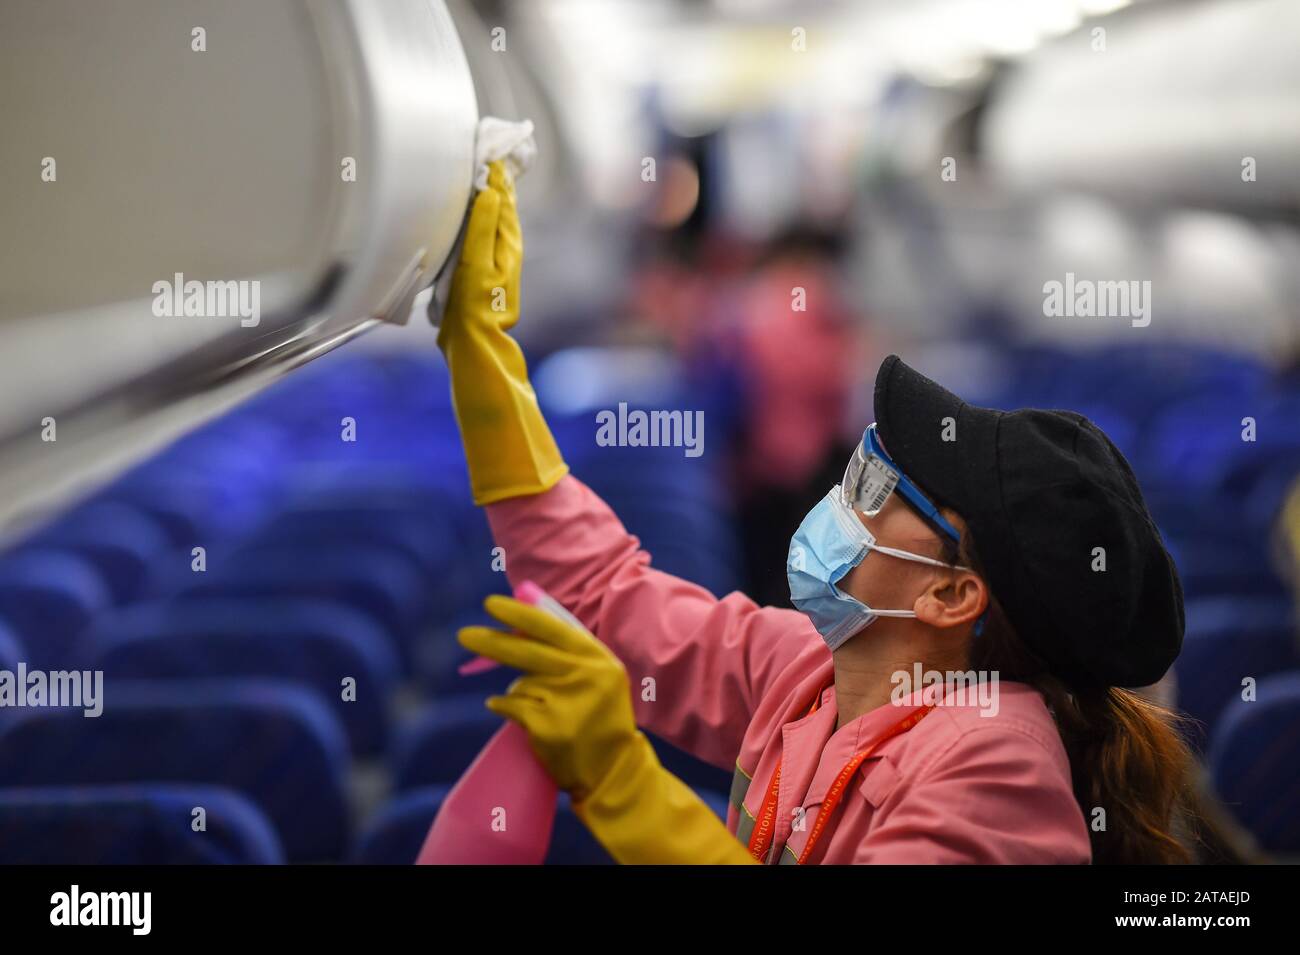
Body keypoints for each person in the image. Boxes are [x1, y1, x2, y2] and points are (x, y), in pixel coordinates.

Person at [438, 162, 1197, 864]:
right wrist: (481, 353)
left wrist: (621, 782)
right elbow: (604, 592)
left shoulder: (996, 766)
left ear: (950, 592)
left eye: (873, 490)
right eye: (860, 464)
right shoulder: (810, 672)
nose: (840, 499)